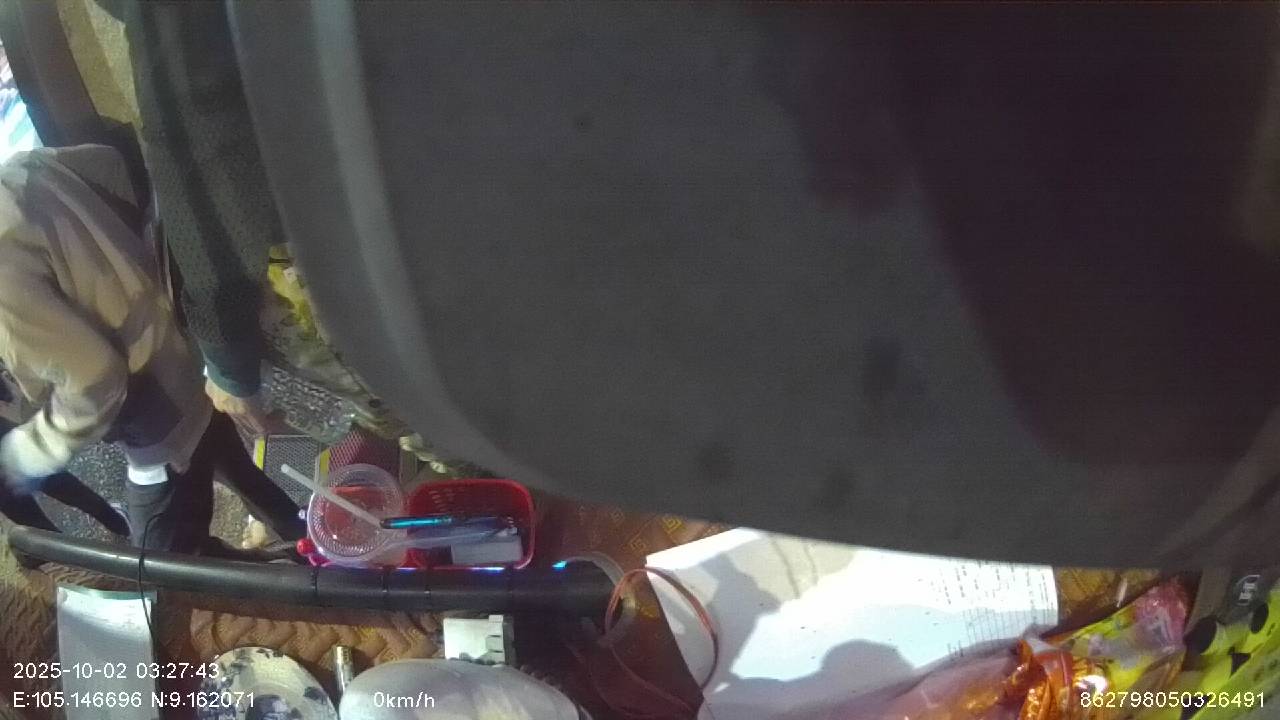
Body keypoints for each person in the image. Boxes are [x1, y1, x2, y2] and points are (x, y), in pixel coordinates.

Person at [0, 143, 304, 553]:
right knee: (239, 470)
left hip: (156, 422)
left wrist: (31, 450)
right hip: (186, 365)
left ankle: (275, 573)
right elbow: (112, 164)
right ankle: (304, 544)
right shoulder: (25, 170)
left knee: (159, 561)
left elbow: (94, 377)